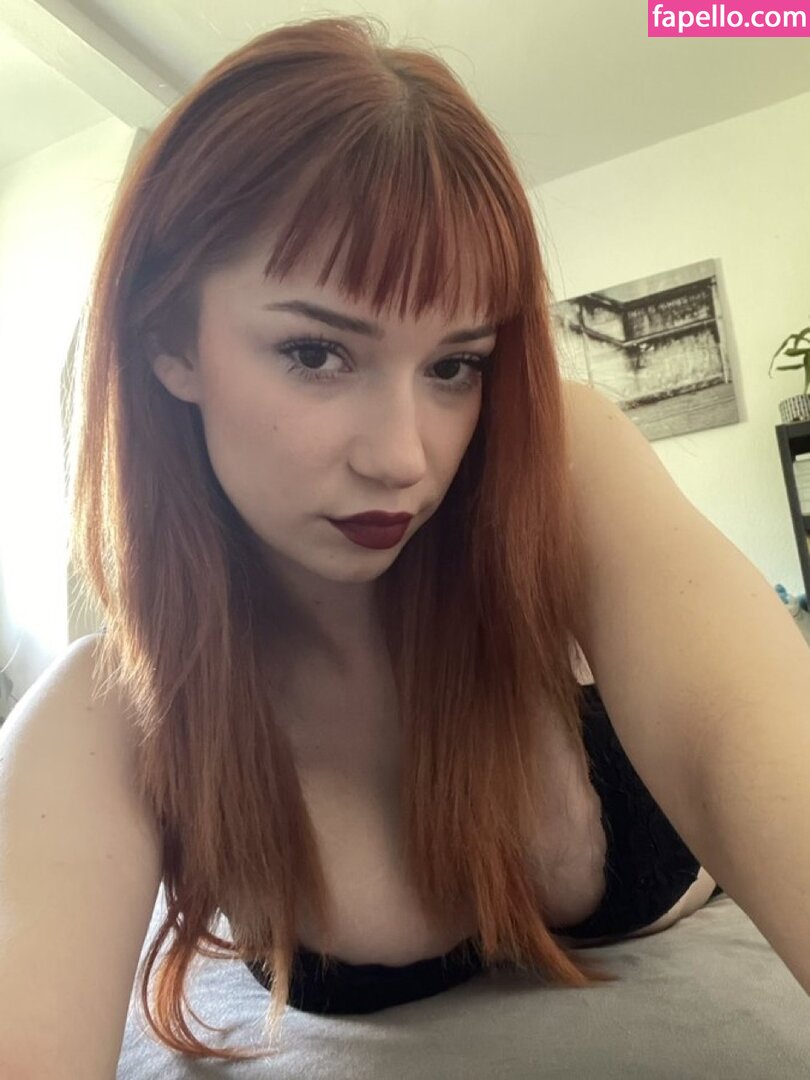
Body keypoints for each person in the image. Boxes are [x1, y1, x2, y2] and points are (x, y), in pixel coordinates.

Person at [0, 14, 723, 1072]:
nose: (404, 459)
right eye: (315, 352)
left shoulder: (558, 468)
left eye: (454, 365)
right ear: (168, 340)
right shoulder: (108, 717)